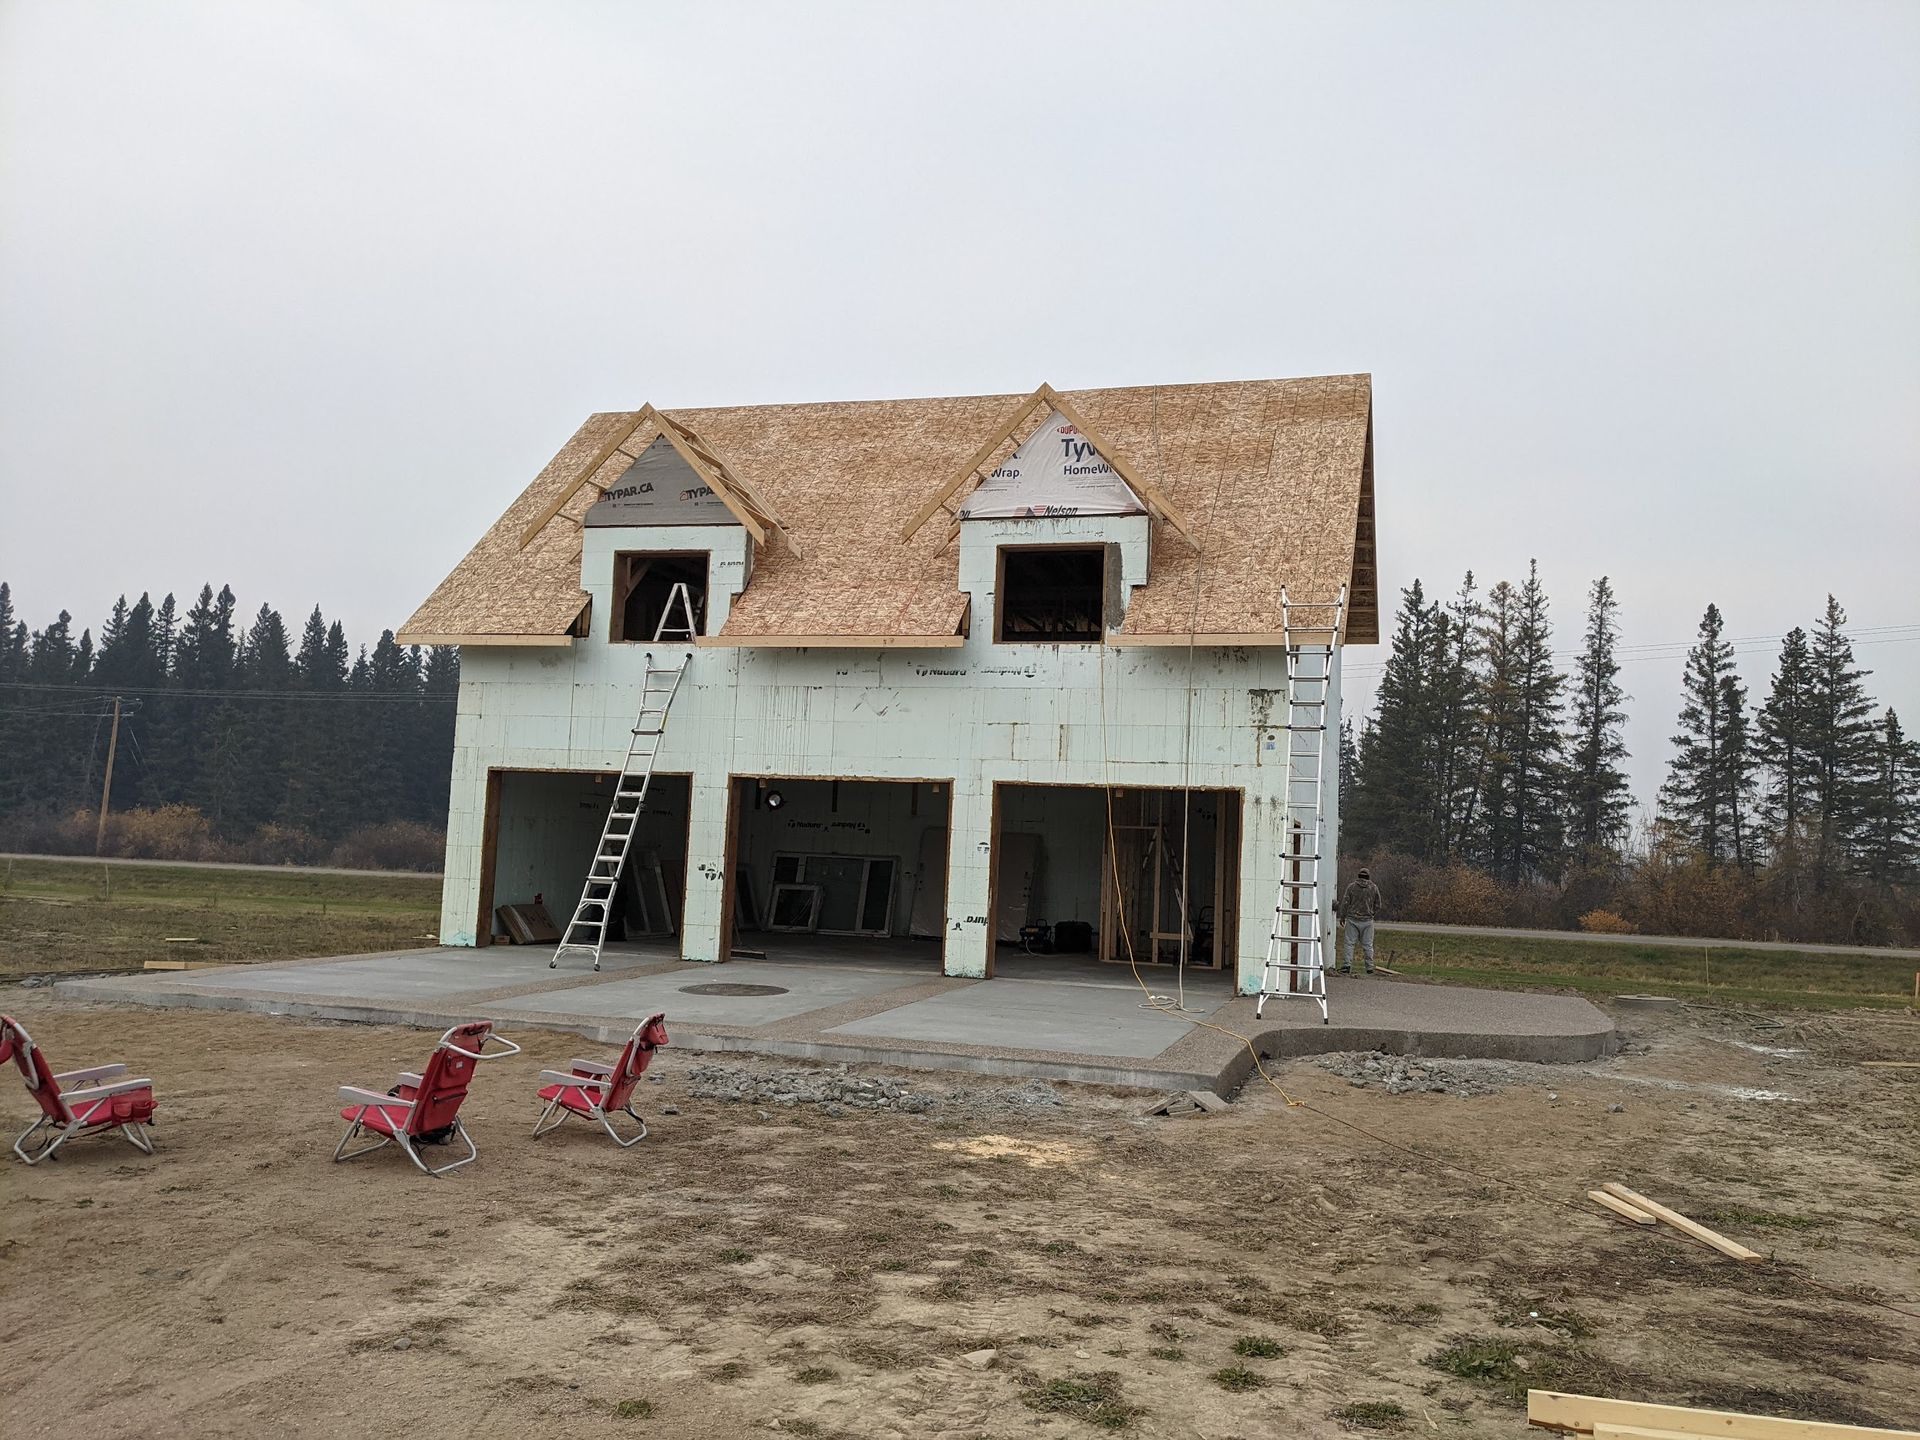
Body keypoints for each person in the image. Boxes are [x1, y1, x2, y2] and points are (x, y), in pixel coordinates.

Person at [1336, 868, 1382, 975]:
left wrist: (1342, 917)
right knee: (1368, 945)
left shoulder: (1351, 887)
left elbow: (1345, 903)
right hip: (1368, 921)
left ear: (1358, 876)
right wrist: (1372, 913)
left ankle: (1346, 966)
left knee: (1349, 944)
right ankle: (1369, 968)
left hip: (1352, 919)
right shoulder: (1374, 888)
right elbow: (1378, 905)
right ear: (1368, 877)